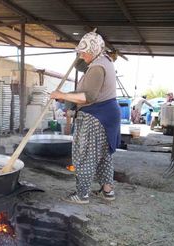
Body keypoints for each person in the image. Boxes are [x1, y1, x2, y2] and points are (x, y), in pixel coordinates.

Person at [50, 31, 121, 204]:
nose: (81, 55)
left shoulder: (97, 68)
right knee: (104, 155)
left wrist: (61, 94)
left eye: (83, 52)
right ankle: (107, 191)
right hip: (107, 115)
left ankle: (82, 195)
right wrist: (65, 96)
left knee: (85, 155)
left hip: (96, 116)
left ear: (94, 50)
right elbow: (85, 89)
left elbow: (88, 97)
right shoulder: (104, 60)